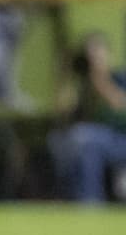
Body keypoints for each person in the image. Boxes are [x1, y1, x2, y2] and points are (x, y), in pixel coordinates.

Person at [51, 31, 126, 203]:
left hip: (121, 139)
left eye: (97, 52)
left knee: (86, 138)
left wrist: (100, 78)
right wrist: (64, 76)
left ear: (108, 54)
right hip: (91, 140)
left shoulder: (119, 77)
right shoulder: (83, 84)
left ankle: (90, 200)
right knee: (61, 140)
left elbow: (119, 105)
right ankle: (69, 198)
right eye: (89, 53)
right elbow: (62, 112)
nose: (93, 59)